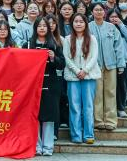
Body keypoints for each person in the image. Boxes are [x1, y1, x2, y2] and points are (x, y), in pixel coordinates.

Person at [23, 17, 65, 156]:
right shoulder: (28, 44)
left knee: (49, 117)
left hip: (51, 85)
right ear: (35, 28)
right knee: (34, 116)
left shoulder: (55, 44)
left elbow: (62, 64)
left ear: (49, 28)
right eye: (39, 26)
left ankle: (48, 147)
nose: (42, 28)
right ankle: (36, 146)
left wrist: (53, 57)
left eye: (44, 26)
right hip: (33, 86)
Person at [63, 12, 100, 145]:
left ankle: (89, 134)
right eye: (76, 21)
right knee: (74, 106)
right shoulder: (67, 39)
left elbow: (94, 57)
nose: (78, 24)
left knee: (88, 106)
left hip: (89, 76)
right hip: (73, 77)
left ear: (85, 24)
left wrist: (85, 70)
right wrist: (77, 71)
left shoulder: (92, 39)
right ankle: (76, 135)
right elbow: (66, 57)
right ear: (72, 24)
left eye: (81, 21)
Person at [89, 2, 126, 130]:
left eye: (101, 10)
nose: (99, 12)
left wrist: (120, 64)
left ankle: (110, 121)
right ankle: (98, 121)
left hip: (111, 65)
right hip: (95, 66)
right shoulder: (88, 27)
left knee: (111, 92)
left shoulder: (111, 27)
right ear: (92, 12)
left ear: (104, 12)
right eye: (96, 10)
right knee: (97, 94)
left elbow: (119, 47)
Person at [107, 9, 127, 118]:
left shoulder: (123, 28)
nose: (114, 19)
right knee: (110, 86)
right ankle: (110, 108)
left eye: (116, 17)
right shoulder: (105, 28)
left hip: (123, 61)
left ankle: (121, 108)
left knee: (122, 86)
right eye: (111, 17)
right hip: (109, 62)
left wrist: (121, 25)